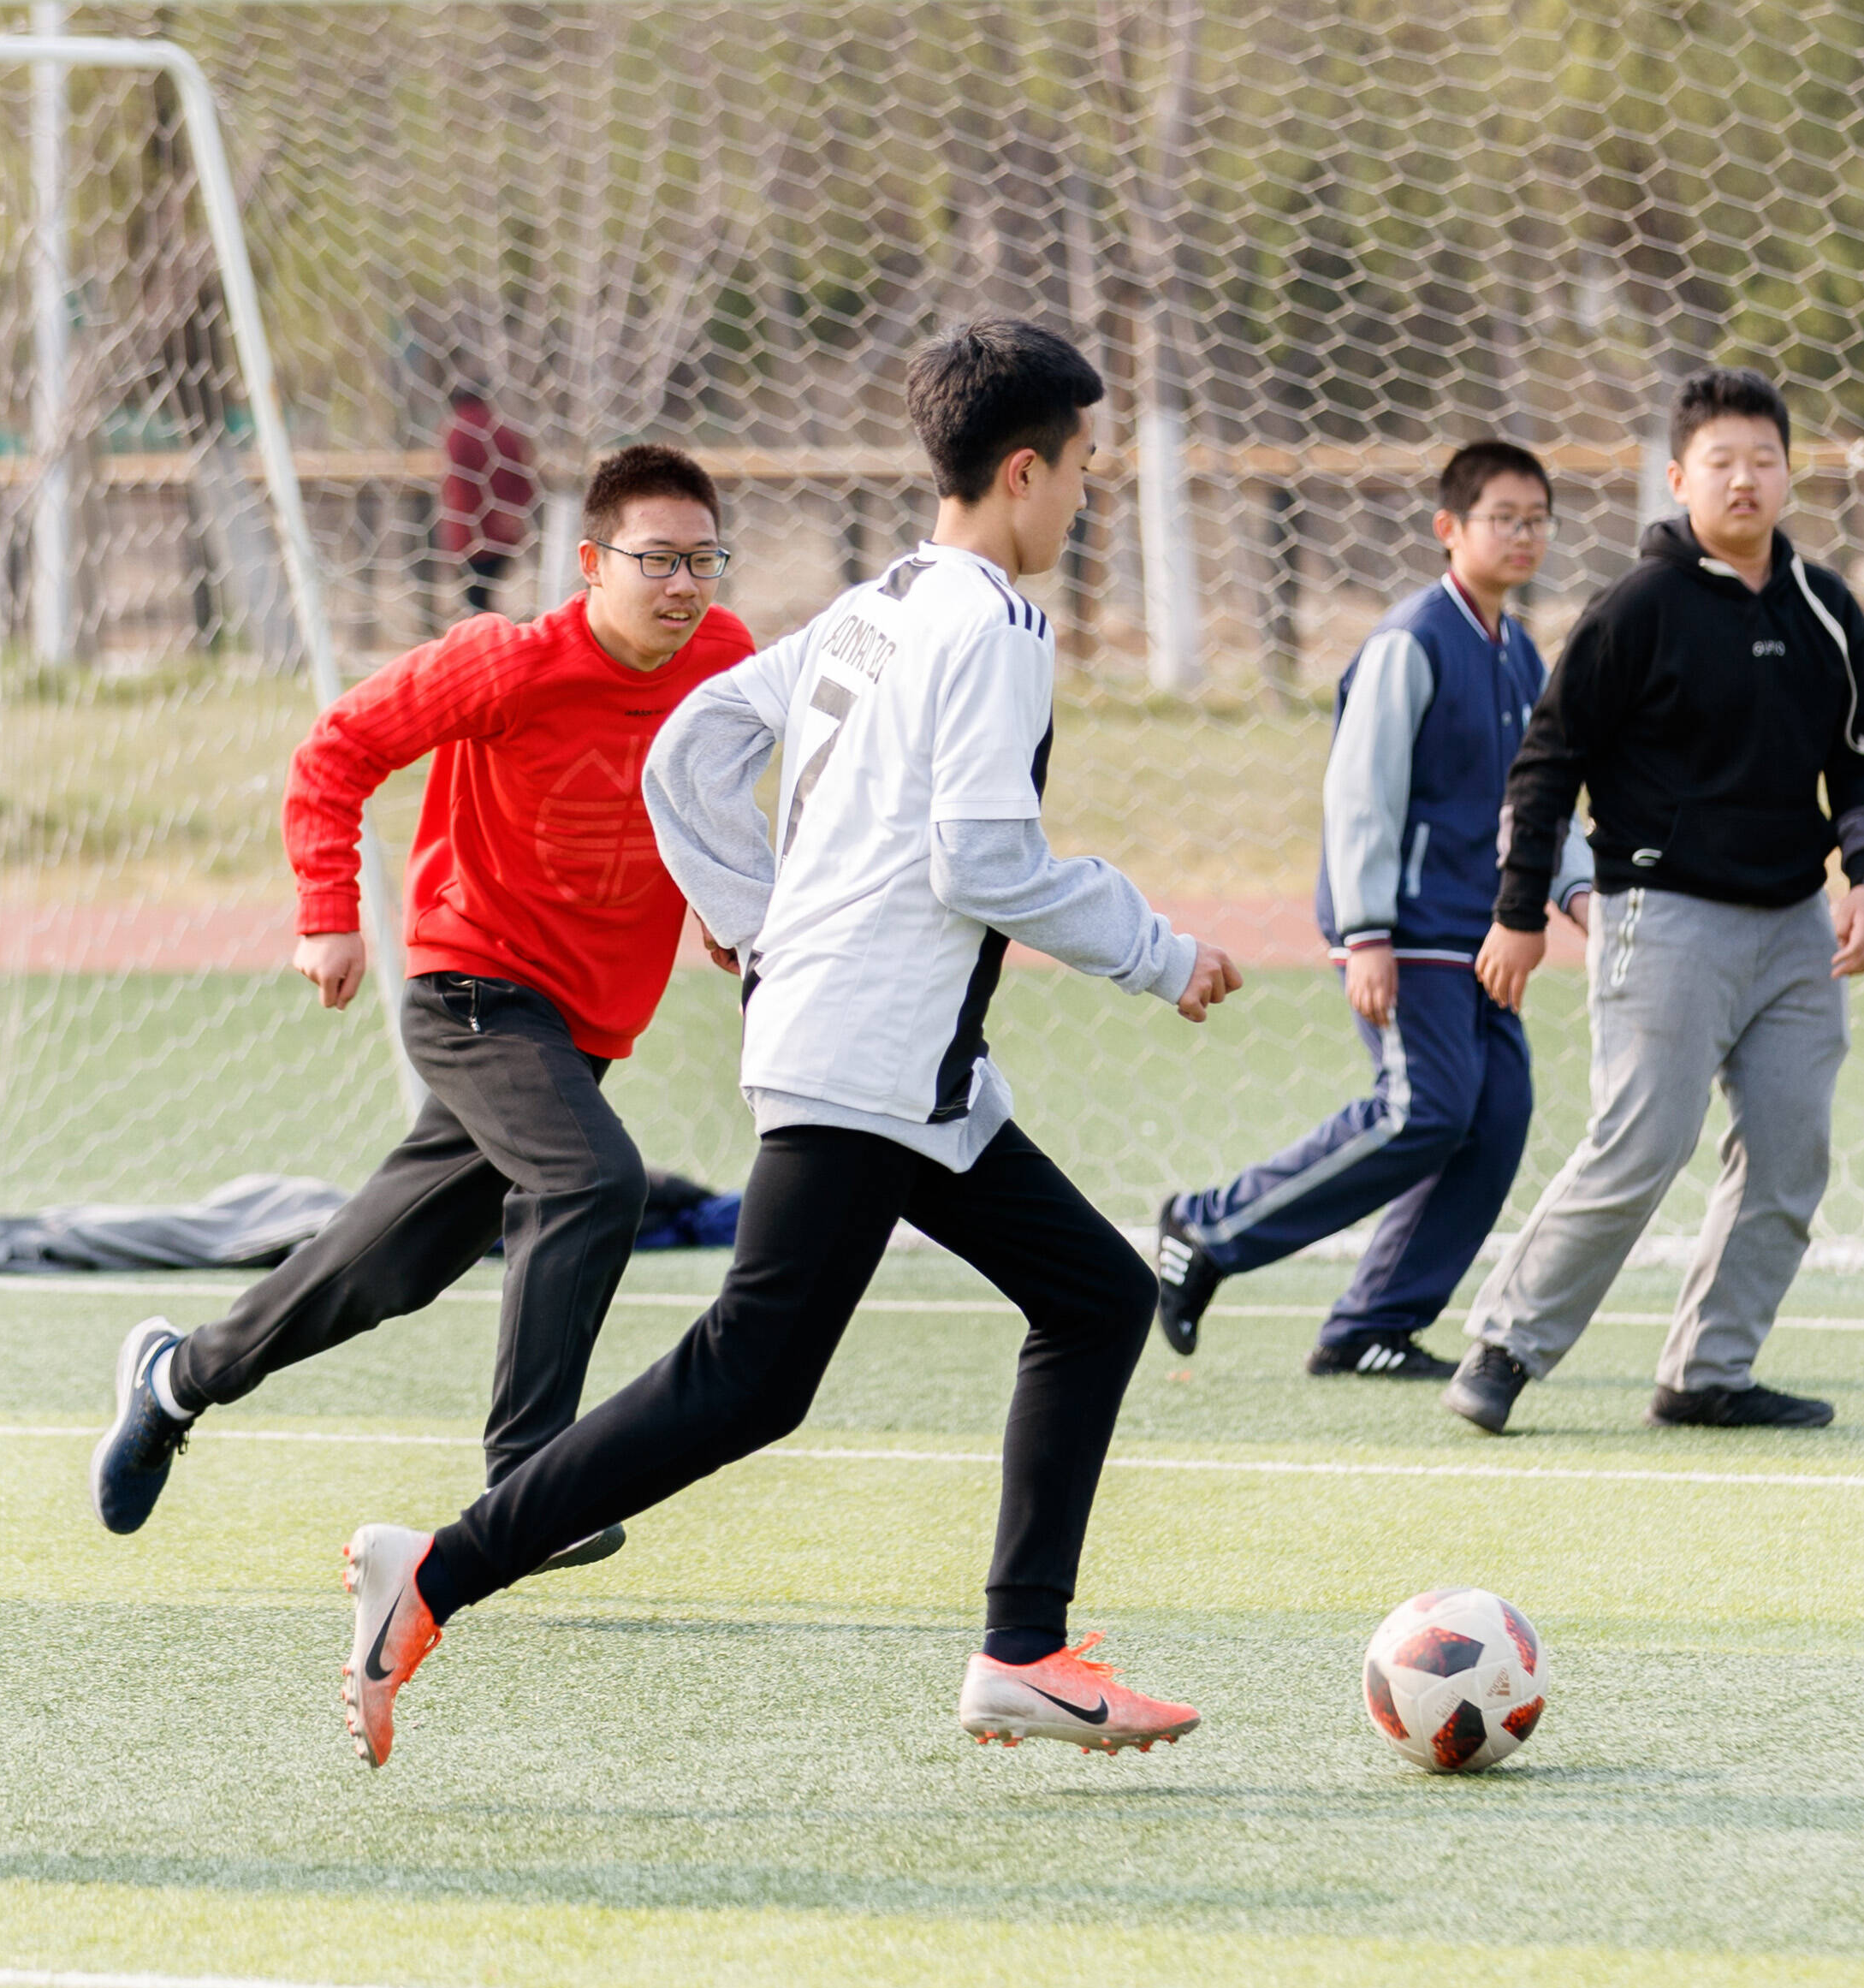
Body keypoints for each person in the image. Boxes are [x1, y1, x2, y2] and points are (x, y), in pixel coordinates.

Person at [334, 319, 1243, 1770]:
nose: (1087, 493)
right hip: (869, 1052)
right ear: (1022, 470)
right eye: (1084, 465)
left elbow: (688, 744)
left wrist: (760, 922)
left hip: (893, 1057)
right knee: (748, 1373)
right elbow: (982, 859)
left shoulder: (878, 601)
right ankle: (436, 1568)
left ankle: (1021, 1650)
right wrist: (1159, 950)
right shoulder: (995, 628)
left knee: (1092, 1293)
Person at [87, 445, 756, 1557]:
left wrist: (725, 906)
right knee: (594, 1179)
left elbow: (709, 791)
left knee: (384, 1269)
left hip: (579, 1027)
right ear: (592, 561)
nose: (682, 583)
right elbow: (337, 749)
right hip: (474, 989)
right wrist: (326, 910)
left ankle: (176, 1379)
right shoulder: (504, 663)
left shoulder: (727, 660)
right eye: (656, 558)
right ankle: (530, 1485)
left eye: (702, 558)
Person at [1441, 368, 1864, 1439]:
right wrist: (1519, 912)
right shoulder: (1637, 609)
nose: (1745, 480)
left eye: (1764, 460)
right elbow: (1547, 764)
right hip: (1662, 914)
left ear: (1789, 474)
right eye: (1721, 462)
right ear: (1678, 476)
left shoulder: (1827, 608)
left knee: (1790, 1154)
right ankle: (1505, 1345)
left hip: (1797, 926)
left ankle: (1709, 1372)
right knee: (1643, 1141)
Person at [1146, 442, 1592, 1380]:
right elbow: (1361, 793)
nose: (1522, 535)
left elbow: (1539, 799)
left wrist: (1575, 888)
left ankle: (1372, 1325)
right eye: (1502, 518)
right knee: (1423, 1109)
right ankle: (1207, 1229)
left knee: (1497, 1116)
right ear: (1448, 528)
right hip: (1410, 933)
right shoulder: (1410, 642)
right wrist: (1365, 935)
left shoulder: (1520, 654)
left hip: (1486, 936)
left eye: (1537, 519)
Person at [440, 387, 539, 615]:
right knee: (483, 596)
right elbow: (524, 476)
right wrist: (513, 512)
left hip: (471, 534)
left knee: (476, 600)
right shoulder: (501, 429)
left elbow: (458, 487)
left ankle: (486, 634)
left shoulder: (458, 430)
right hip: (503, 532)